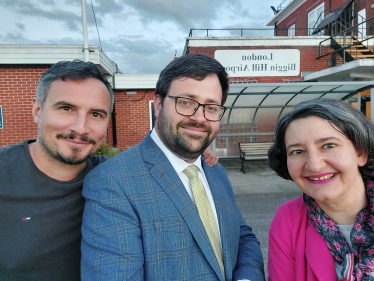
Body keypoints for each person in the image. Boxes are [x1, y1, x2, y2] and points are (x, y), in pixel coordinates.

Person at [81, 53, 265, 281]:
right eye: (186, 102)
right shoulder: (113, 181)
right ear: (158, 105)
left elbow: (242, 237)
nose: (199, 118)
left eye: (212, 107)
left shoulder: (215, 170)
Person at [0, 60, 114, 280]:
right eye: (66, 108)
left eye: (96, 114)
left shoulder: (112, 177)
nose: (80, 128)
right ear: (37, 110)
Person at [267, 99, 374, 281]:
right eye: (298, 152)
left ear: (360, 153)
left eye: (329, 146)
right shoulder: (288, 219)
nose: (315, 166)